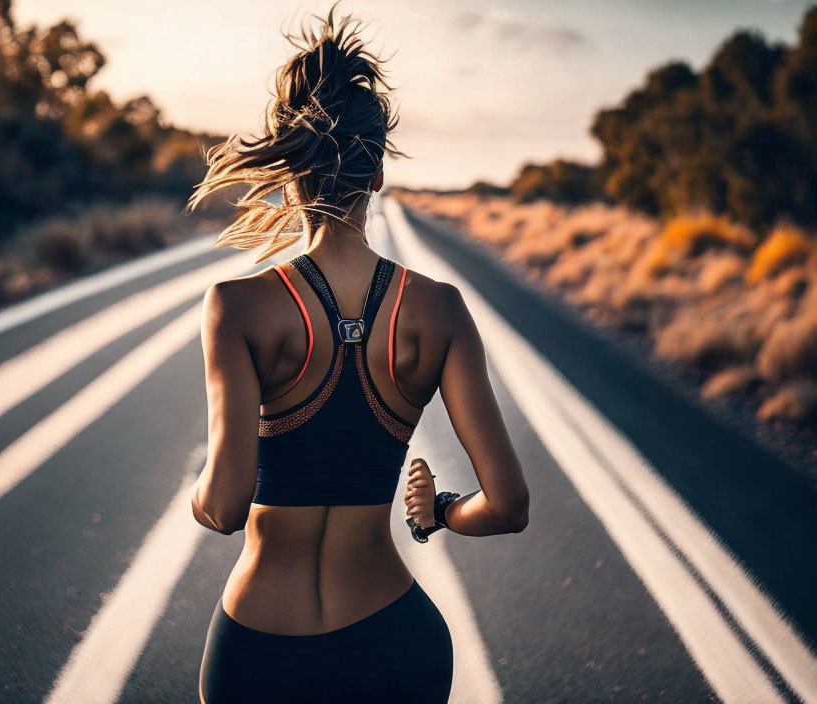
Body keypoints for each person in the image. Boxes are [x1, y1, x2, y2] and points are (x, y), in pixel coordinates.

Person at [185, 3, 530, 702]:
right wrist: (441, 512)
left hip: (260, 649)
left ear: (290, 174)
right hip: (394, 640)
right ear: (377, 177)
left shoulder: (237, 307)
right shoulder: (440, 311)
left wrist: (200, 482)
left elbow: (222, 509)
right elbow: (509, 505)